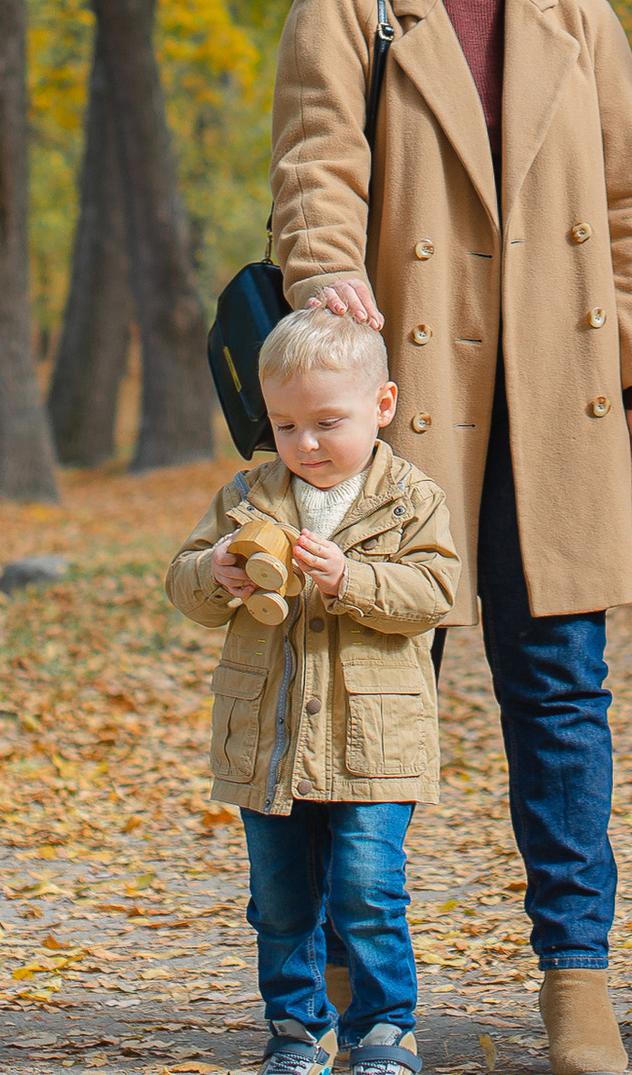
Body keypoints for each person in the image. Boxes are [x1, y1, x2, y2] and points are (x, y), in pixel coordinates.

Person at [267, 0, 632, 1075]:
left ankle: (579, 984)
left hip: (557, 410)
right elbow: (317, 166)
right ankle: (350, 981)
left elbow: (630, 207)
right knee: (374, 685)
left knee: (562, 696)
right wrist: (325, 276)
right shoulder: (350, 5)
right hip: (403, 408)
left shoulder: (580, 18)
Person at [167, 308, 458, 1075]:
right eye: (286, 424)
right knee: (281, 898)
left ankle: (386, 1028)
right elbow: (185, 583)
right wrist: (217, 572)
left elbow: (434, 592)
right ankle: (297, 1030)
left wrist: (349, 577)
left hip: (374, 742)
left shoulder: (410, 497)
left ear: (382, 407)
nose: (306, 444)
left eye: (329, 422)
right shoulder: (250, 492)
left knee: (367, 887)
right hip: (271, 738)